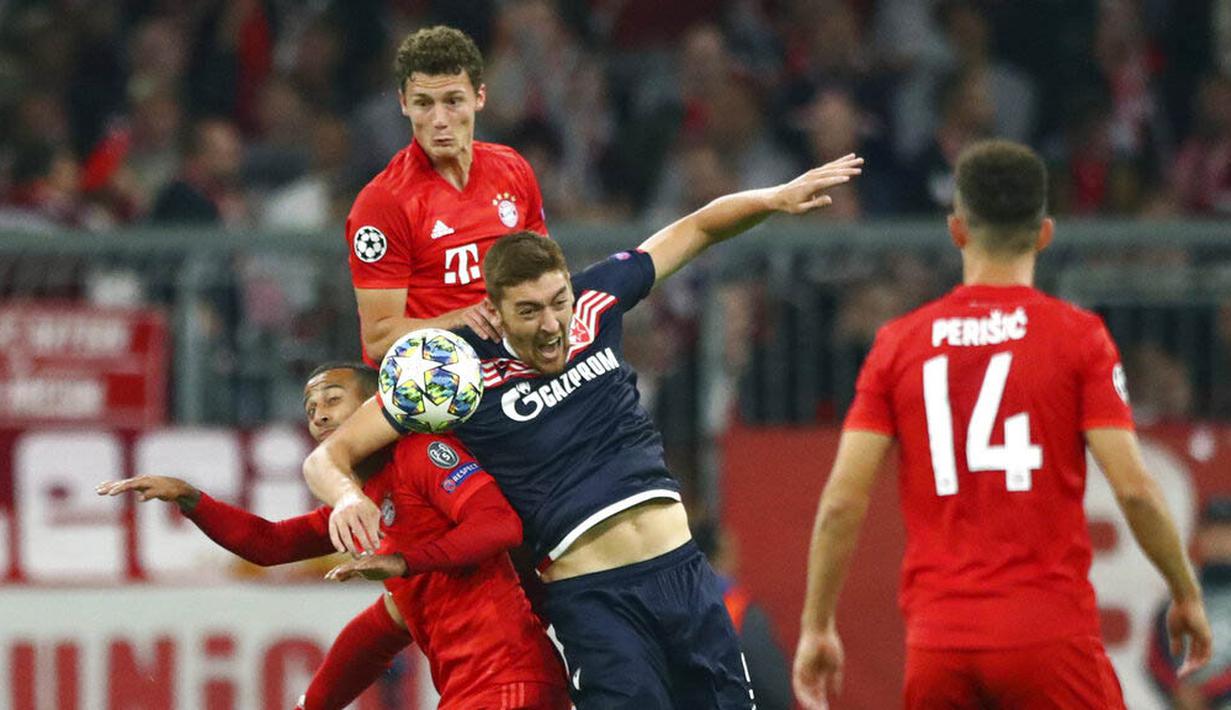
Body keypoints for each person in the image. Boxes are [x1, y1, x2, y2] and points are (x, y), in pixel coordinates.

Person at [304, 154, 863, 708]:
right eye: (528, 312)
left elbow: (698, 227)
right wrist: (348, 496)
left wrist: (773, 198)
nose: (551, 326)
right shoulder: (458, 373)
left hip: (685, 575)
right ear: (492, 311)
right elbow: (327, 458)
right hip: (594, 601)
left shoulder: (597, 302)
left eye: (557, 303)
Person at [792, 140, 1213, 709]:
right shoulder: (1076, 339)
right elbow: (1135, 490)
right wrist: (1185, 593)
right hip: (1048, 636)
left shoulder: (900, 345)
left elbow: (843, 501)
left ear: (957, 229)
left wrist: (817, 625)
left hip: (939, 642)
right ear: (1044, 233)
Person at [97, 363, 569, 710]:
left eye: (332, 399)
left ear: (372, 407)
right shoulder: (366, 500)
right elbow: (270, 544)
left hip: (509, 684)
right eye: (311, 408)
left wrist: (403, 562)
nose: (319, 414)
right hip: (477, 691)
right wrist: (189, 497)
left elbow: (499, 525)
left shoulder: (422, 453)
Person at [345, 25, 548, 366]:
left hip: (516, 381)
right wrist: (459, 321)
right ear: (403, 104)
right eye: (424, 103)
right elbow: (379, 339)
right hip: (436, 393)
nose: (439, 120)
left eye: (453, 101)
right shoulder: (382, 203)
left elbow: (540, 276)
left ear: (479, 97)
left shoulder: (513, 169)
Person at [1147, 497, 1231, 708]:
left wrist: (1209, 692)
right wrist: (1178, 689)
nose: (1219, 540)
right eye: (1212, 531)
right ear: (1199, 537)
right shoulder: (1178, 596)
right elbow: (1155, 655)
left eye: (1227, 532)